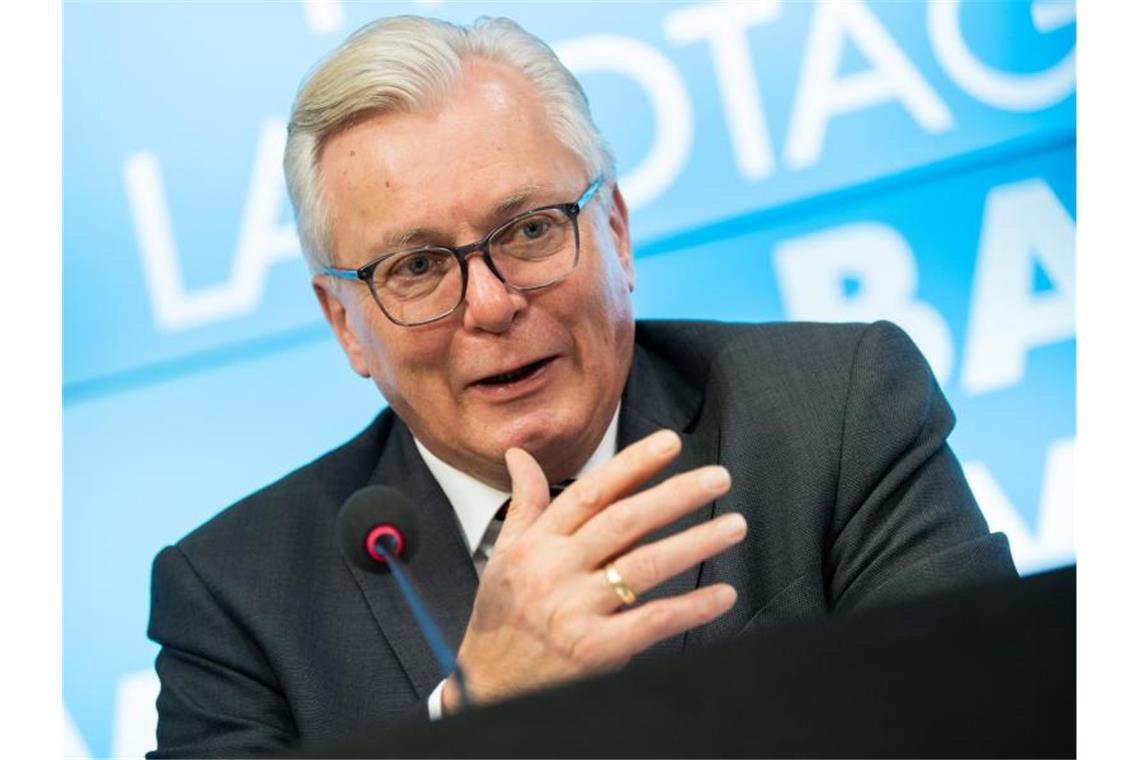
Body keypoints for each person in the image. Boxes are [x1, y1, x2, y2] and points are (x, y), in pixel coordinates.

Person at [146, 14, 1016, 758]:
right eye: (415, 266)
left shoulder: (838, 411)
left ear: (618, 234)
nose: (490, 304)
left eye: (528, 230)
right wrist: (473, 718)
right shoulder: (234, 602)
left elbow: (1000, 724)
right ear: (347, 326)